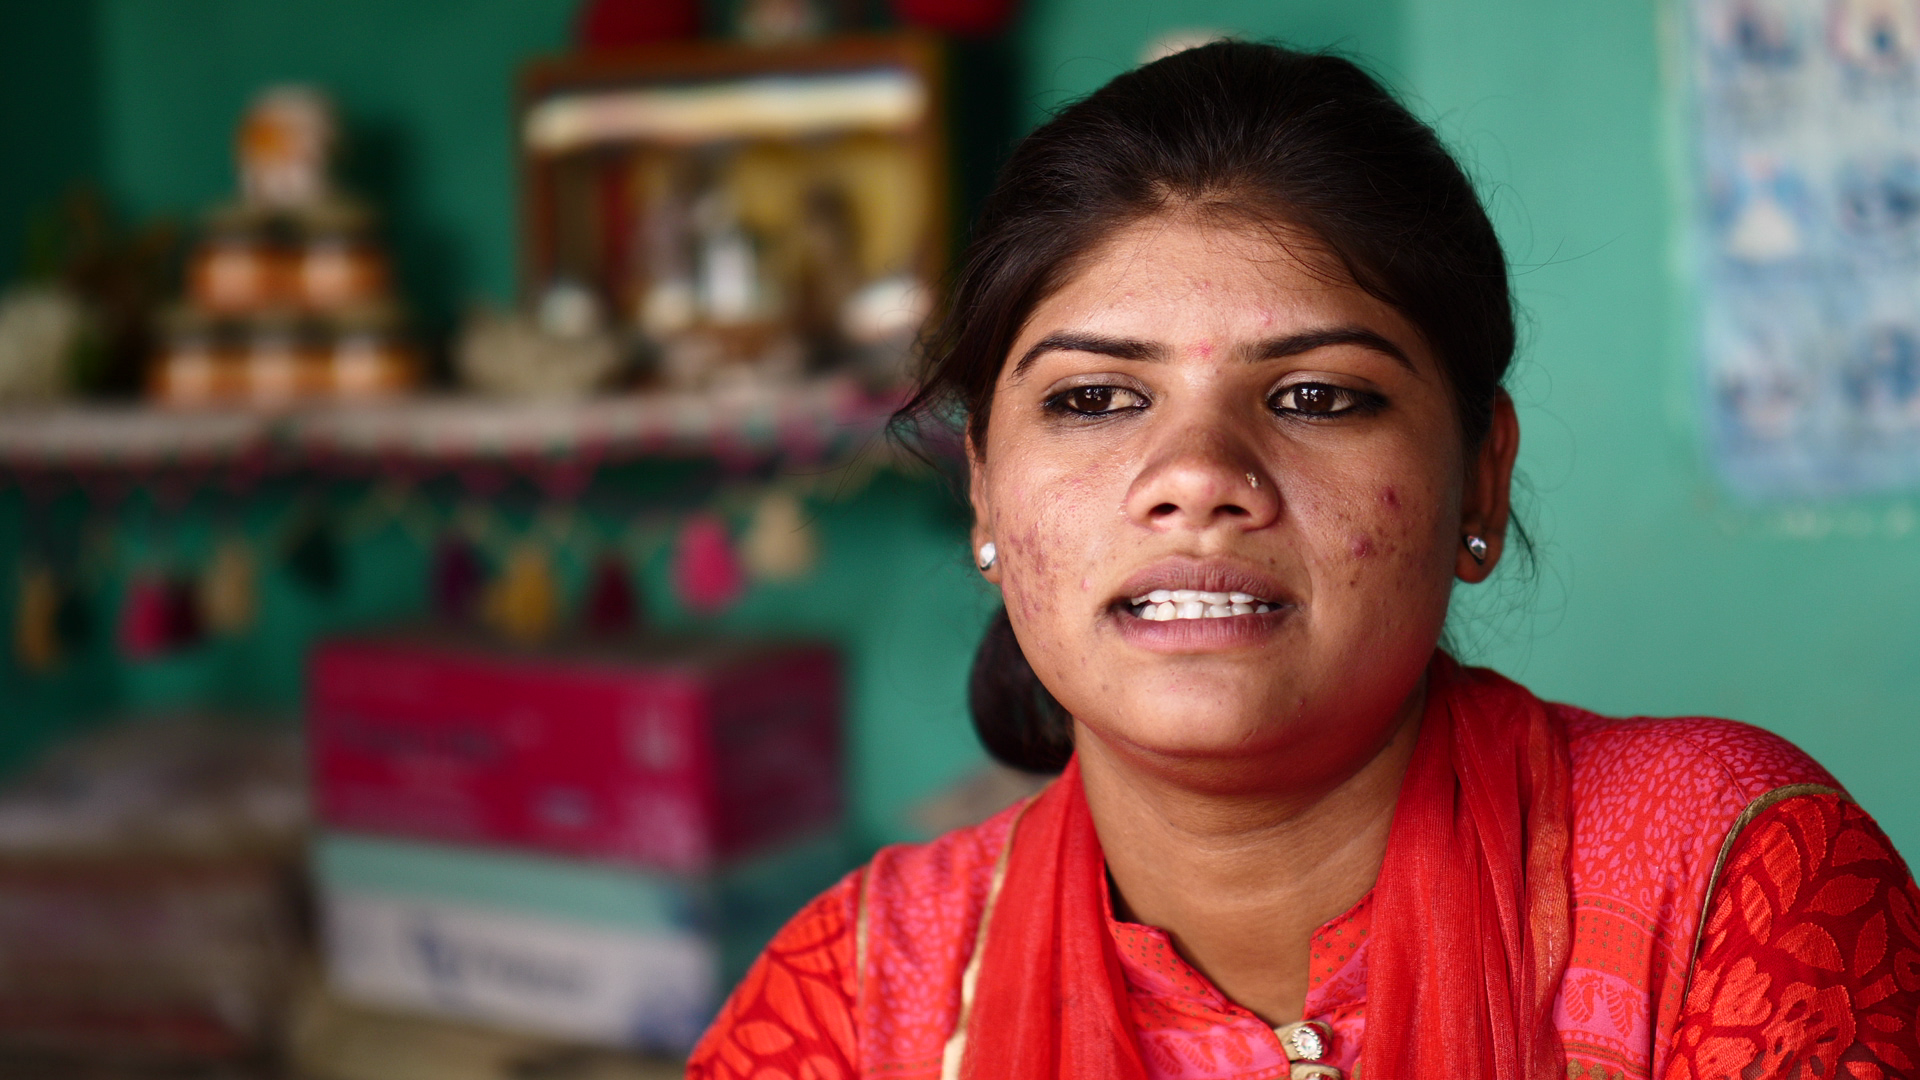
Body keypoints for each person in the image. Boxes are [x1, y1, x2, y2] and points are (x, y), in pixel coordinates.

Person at [687, 41, 1920, 1080]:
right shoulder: (862, 1002)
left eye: (1320, 395)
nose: (1198, 473)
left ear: (1479, 477)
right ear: (984, 494)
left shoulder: (1720, 887)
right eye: (1099, 398)